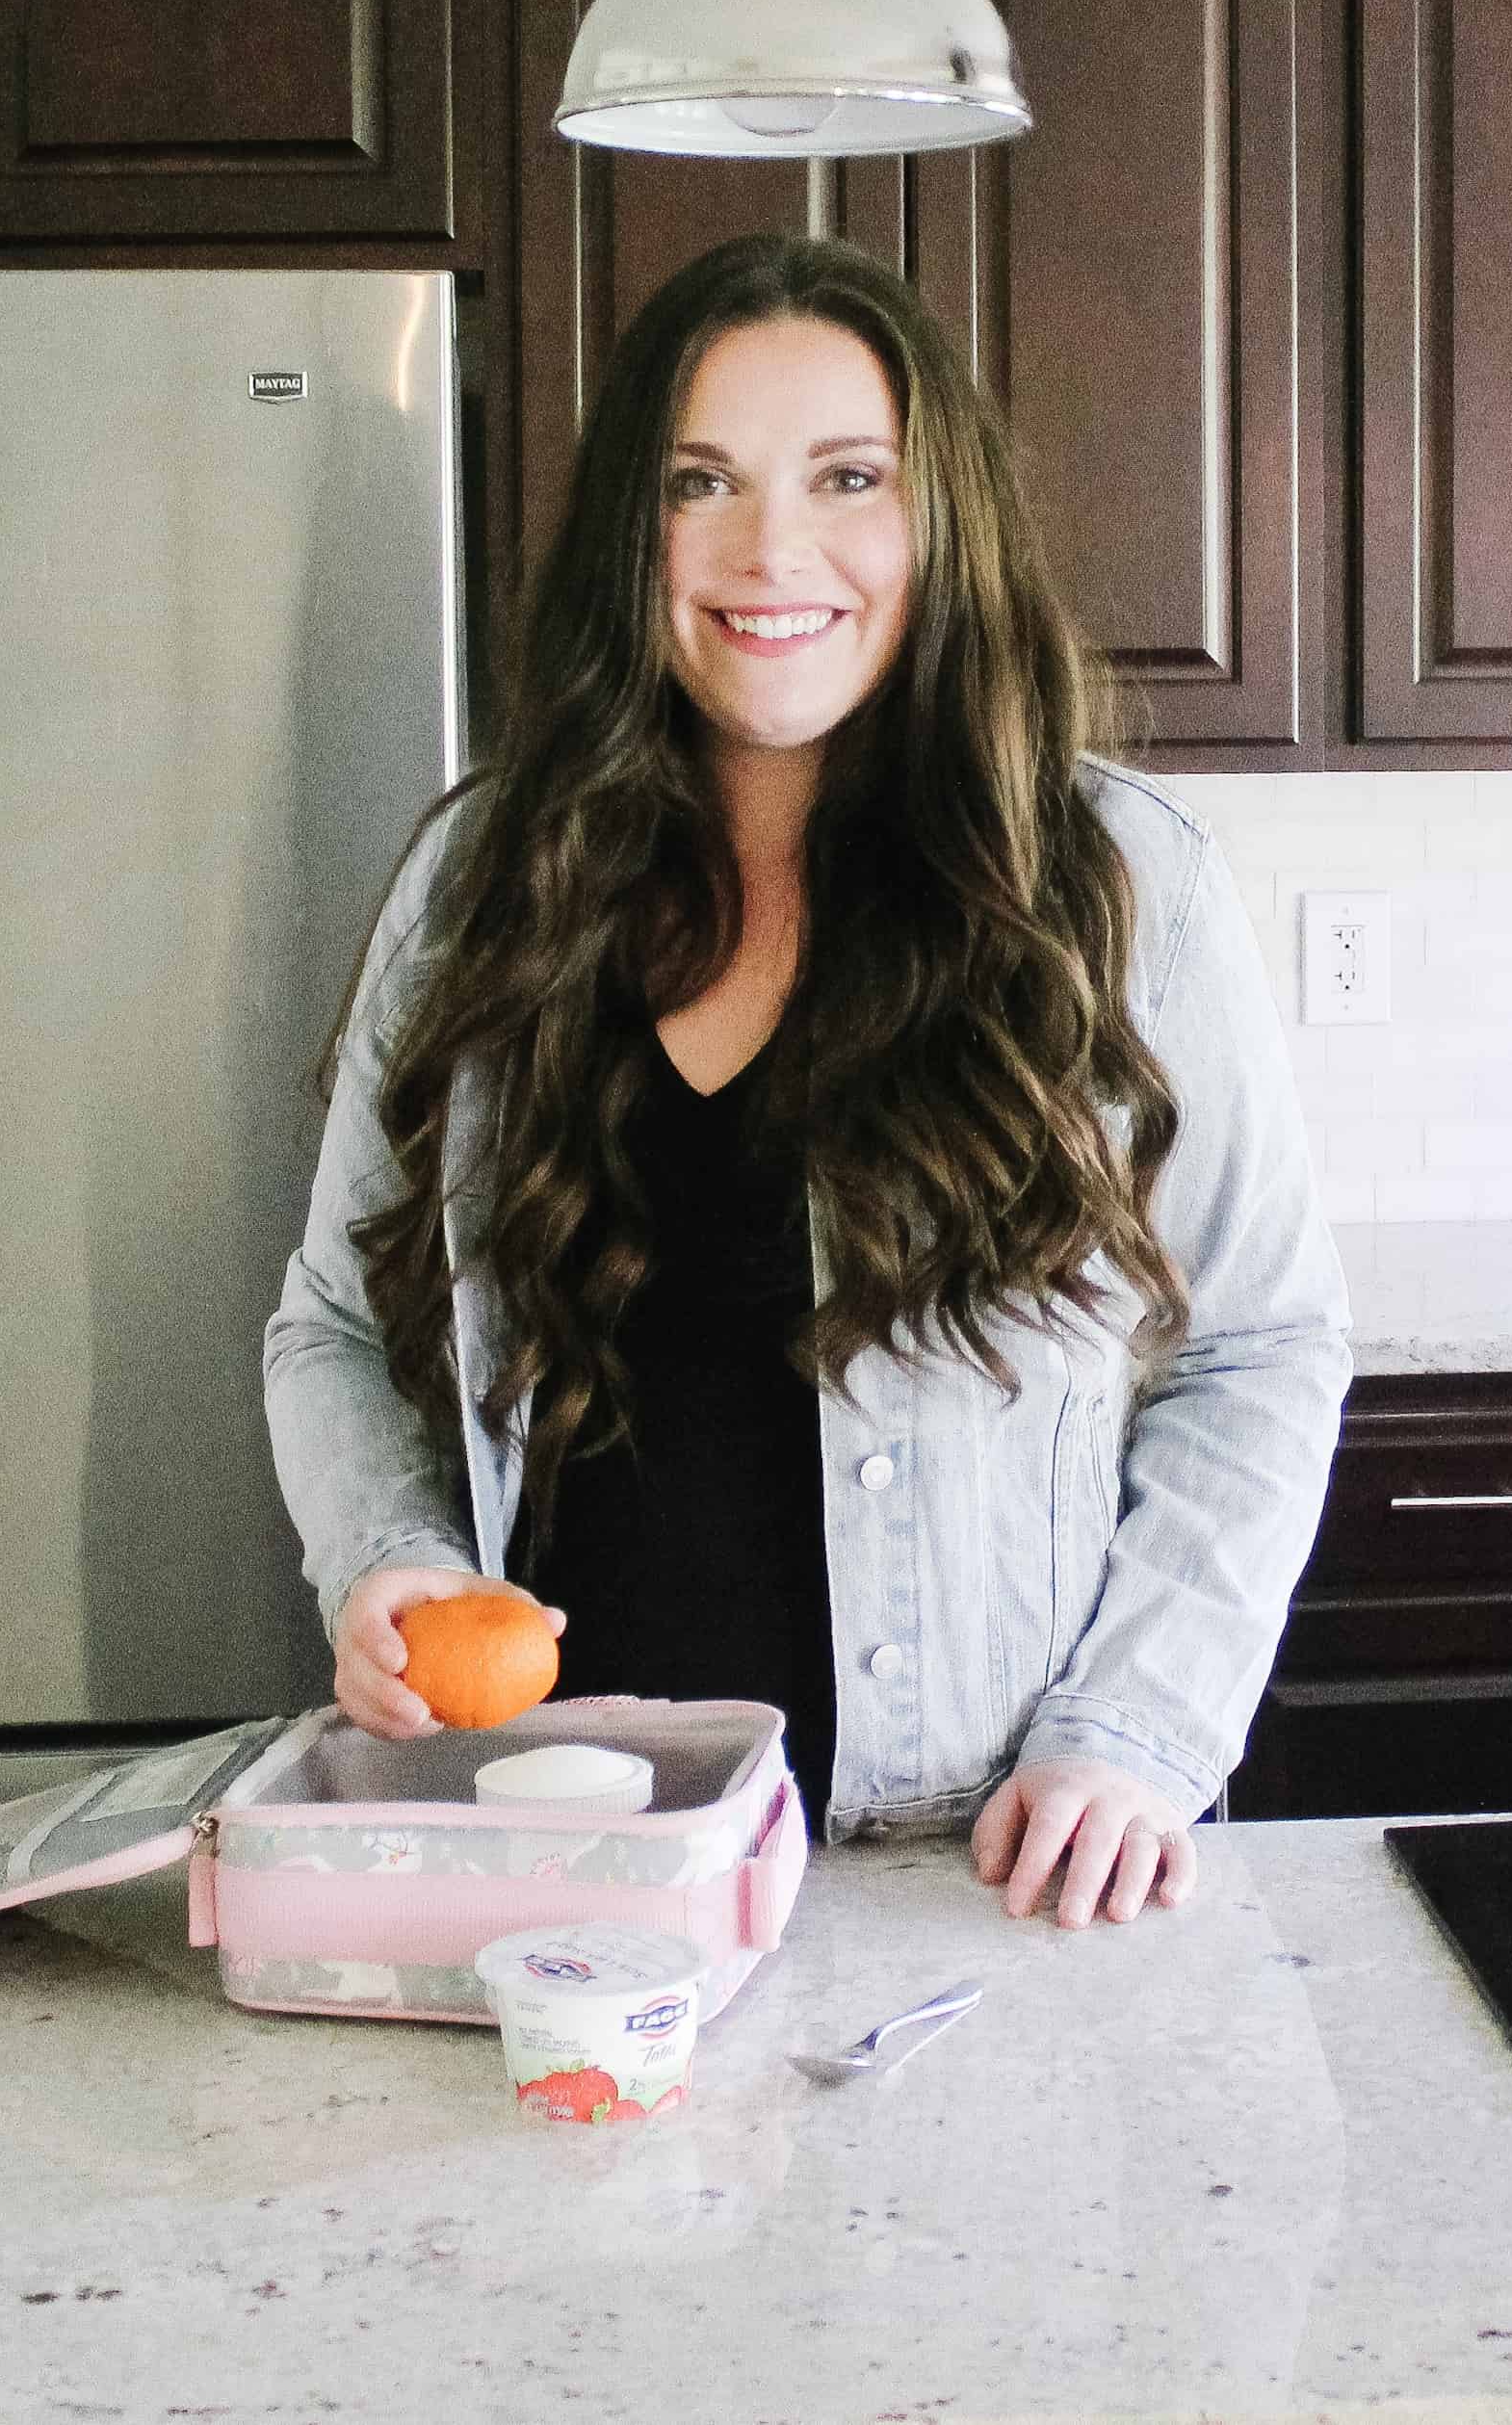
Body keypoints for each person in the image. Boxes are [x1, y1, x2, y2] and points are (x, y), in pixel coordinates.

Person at [265, 233, 1350, 1932]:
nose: (773, 549)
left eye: (849, 478)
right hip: (564, 1857)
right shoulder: (489, 879)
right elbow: (335, 1322)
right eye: (702, 481)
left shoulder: (1116, 889)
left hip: (971, 1871)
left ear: (943, 524)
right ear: (637, 530)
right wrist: (388, 1559)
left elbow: (1259, 1352)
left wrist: (1138, 1730)